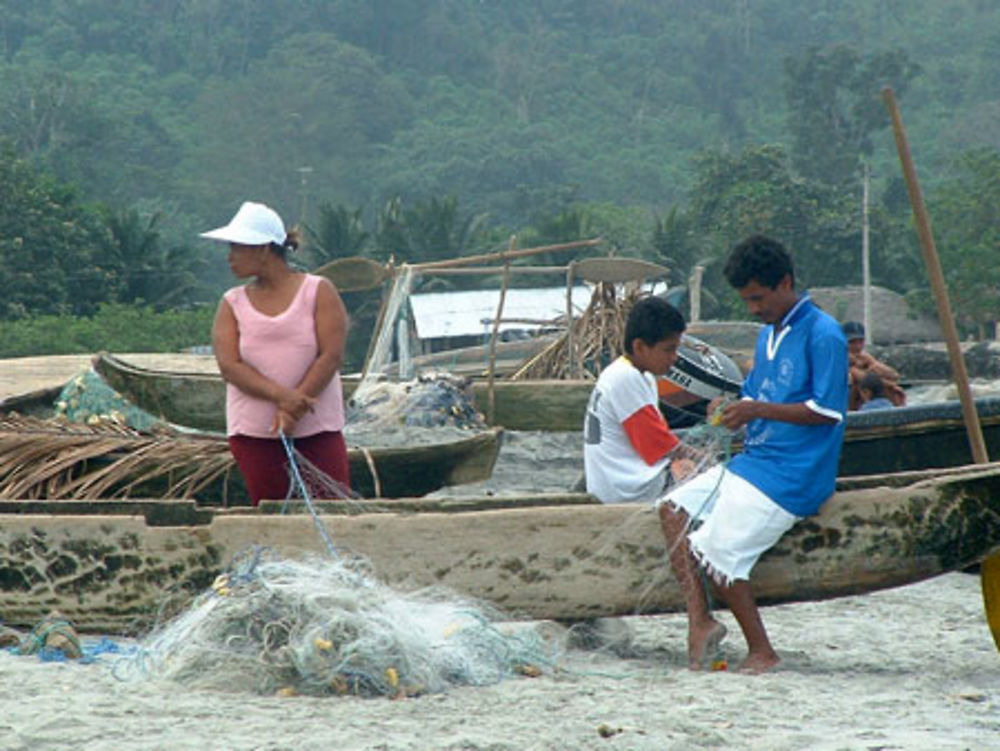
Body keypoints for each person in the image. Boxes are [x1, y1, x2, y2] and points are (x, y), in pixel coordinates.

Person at [657, 235, 848, 674]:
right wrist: (729, 411)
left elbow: (828, 411)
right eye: (746, 299)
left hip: (795, 473)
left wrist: (757, 409)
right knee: (671, 507)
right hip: (755, 463)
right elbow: (754, 395)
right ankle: (700, 621)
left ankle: (762, 649)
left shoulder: (824, 334)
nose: (753, 308)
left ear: (785, 283)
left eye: (759, 298)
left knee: (716, 551)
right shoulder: (768, 336)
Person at [203, 201, 350, 506]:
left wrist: (293, 407)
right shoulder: (232, 302)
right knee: (271, 509)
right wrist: (283, 397)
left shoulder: (318, 290)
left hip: (317, 425)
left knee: (332, 506)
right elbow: (230, 366)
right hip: (255, 431)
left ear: (263, 248)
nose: (230, 257)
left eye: (237, 247)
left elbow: (331, 355)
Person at [583, 296, 697, 504]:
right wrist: (702, 458)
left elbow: (662, 425)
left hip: (619, 480)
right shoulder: (625, 378)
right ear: (640, 347)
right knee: (708, 481)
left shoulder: (637, 374)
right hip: (629, 489)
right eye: (668, 349)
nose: (675, 357)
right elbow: (659, 445)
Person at [842, 321, 906, 410]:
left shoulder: (864, 358)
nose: (857, 346)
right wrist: (890, 385)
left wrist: (872, 362)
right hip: (846, 408)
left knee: (881, 376)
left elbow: (894, 375)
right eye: (852, 342)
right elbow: (862, 377)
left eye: (860, 342)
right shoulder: (839, 359)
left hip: (869, 402)